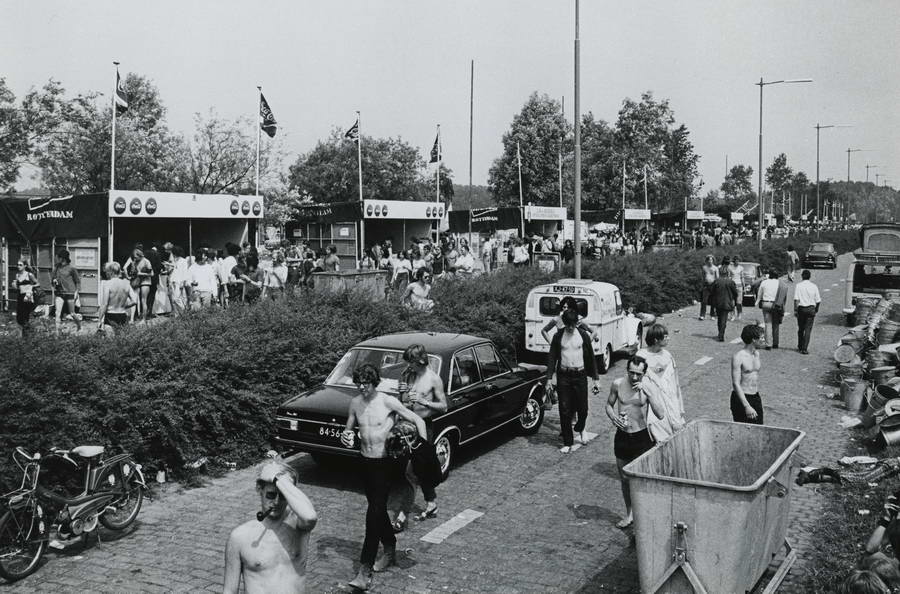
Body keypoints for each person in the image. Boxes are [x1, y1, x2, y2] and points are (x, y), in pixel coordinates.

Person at [342, 364, 427, 590]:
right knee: (377, 511)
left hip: (385, 464)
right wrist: (346, 435)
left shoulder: (387, 401)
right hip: (364, 463)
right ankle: (390, 549)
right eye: (359, 383)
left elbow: (419, 421)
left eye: (366, 384)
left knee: (373, 515)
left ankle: (364, 571)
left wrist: (423, 450)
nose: (362, 388)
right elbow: (348, 428)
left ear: (375, 382)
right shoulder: (355, 403)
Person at [223, 456, 318, 594]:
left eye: (283, 496)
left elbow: (310, 517)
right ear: (259, 489)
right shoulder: (239, 537)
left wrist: (278, 479)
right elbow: (229, 591)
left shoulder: (298, 525)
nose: (277, 502)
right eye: (271, 495)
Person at [390, 344, 447, 532]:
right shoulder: (408, 374)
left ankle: (401, 515)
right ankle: (431, 504)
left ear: (420, 361)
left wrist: (424, 401)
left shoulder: (433, 379)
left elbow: (443, 406)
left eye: (411, 363)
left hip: (424, 426)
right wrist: (402, 392)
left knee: (411, 471)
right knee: (416, 469)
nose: (409, 366)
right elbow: (403, 401)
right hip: (406, 425)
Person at [606, 355, 666, 528]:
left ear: (644, 374)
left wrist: (646, 391)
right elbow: (609, 405)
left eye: (638, 374)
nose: (634, 377)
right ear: (627, 370)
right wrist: (613, 417)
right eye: (631, 373)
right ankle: (630, 515)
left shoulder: (648, 387)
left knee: (642, 481)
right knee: (624, 479)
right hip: (623, 436)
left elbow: (660, 413)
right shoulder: (618, 384)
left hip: (641, 437)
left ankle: (645, 517)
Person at [546, 309, 601, 453]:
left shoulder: (583, 335)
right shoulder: (558, 336)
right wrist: (549, 379)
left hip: (580, 375)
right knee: (564, 409)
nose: (571, 328)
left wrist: (596, 379)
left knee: (583, 409)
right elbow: (552, 358)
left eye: (573, 324)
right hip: (564, 375)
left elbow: (591, 358)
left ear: (577, 323)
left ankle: (580, 426)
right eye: (568, 325)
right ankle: (568, 442)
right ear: (564, 323)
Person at [636, 324, 685, 442]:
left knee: (675, 430)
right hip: (653, 402)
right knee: (657, 433)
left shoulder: (667, 355)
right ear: (656, 340)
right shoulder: (641, 356)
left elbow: (675, 383)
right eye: (665, 336)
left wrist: (679, 404)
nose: (668, 339)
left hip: (670, 399)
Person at [731, 324, 765, 424]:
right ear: (754, 340)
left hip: (755, 396)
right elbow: (736, 384)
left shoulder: (757, 353)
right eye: (761, 338)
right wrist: (746, 406)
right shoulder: (738, 357)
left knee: (759, 429)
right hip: (742, 399)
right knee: (744, 432)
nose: (763, 340)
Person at [97, 262, 136, 331]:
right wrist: (124, 306)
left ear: (111, 272)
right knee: (121, 340)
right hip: (123, 314)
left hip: (110, 315)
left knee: (110, 341)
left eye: (107, 272)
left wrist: (99, 320)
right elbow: (134, 301)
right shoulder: (126, 283)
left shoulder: (107, 284)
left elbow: (104, 304)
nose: (106, 274)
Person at [52, 249, 81, 333]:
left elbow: (78, 281)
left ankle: (79, 326)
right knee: (57, 313)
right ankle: (57, 334)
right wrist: (54, 281)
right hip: (59, 293)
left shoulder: (71, 268)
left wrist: (76, 292)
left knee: (72, 313)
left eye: (58, 257)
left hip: (70, 293)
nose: (56, 258)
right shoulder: (56, 268)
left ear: (63, 258)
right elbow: (52, 279)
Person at [794, 269, 822, 355]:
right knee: (808, 329)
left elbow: (796, 300)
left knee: (801, 328)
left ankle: (800, 345)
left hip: (801, 309)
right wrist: (816, 309)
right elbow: (818, 300)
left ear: (802, 276)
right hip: (811, 309)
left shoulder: (798, 286)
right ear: (810, 277)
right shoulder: (814, 286)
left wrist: (795, 310)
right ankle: (805, 348)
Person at [756, 269, 783, 349]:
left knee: (768, 323)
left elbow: (759, 293)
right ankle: (775, 343)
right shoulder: (779, 283)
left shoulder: (764, 282)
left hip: (766, 304)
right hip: (776, 305)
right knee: (776, 324)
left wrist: (757, 302)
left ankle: (768, 344)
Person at [710, 268, 739, 342]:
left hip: (718, 302)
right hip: (727, 302)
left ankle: (720, 333)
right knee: (724, 319)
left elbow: (712, 292)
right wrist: (734, 300)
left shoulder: (716, 281)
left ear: (720, 273)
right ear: (728, 273)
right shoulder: (731, 282)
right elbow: (735, 293)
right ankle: (721, 335)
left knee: (719, 319)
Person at [12, 260, 38, 335]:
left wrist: (31, 287)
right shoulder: (17, 275)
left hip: (27, 296)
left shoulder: (29, 275)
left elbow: (37, 283)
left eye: (20, 265)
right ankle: (25, 331)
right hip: (20, 296)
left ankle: (26, 333)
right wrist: (14, 285)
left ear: (24, 266)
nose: (18, 266)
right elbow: (17, 286)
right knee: (19, 316)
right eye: (17, 265)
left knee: (25, 315)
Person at [699, 255, 718, 320]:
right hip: (706, 285)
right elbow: (702, 277)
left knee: (713, 301)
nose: (710, 261)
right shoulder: (704, 267)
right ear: (707, 261)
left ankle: (712, 315)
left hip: (713, 285)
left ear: (713, 261)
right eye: (709, 260)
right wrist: (702, 285)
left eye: (711, 260)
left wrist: (717, 286)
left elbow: (717, 277)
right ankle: (702, 315)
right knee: (704, 301)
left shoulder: (715, 268)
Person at [725, 257, 745, 321]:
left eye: (738, 261)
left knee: (739, 302)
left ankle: (739, 313)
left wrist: (744, 286)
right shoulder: (730, 268)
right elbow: (728, 277)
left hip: (739, 286)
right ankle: (732, 315)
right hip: (732, 285)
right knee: (732, 302)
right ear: (734, 261)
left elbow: (742, 277)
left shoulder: (741, 268)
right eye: (736, 261)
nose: (737, 262)